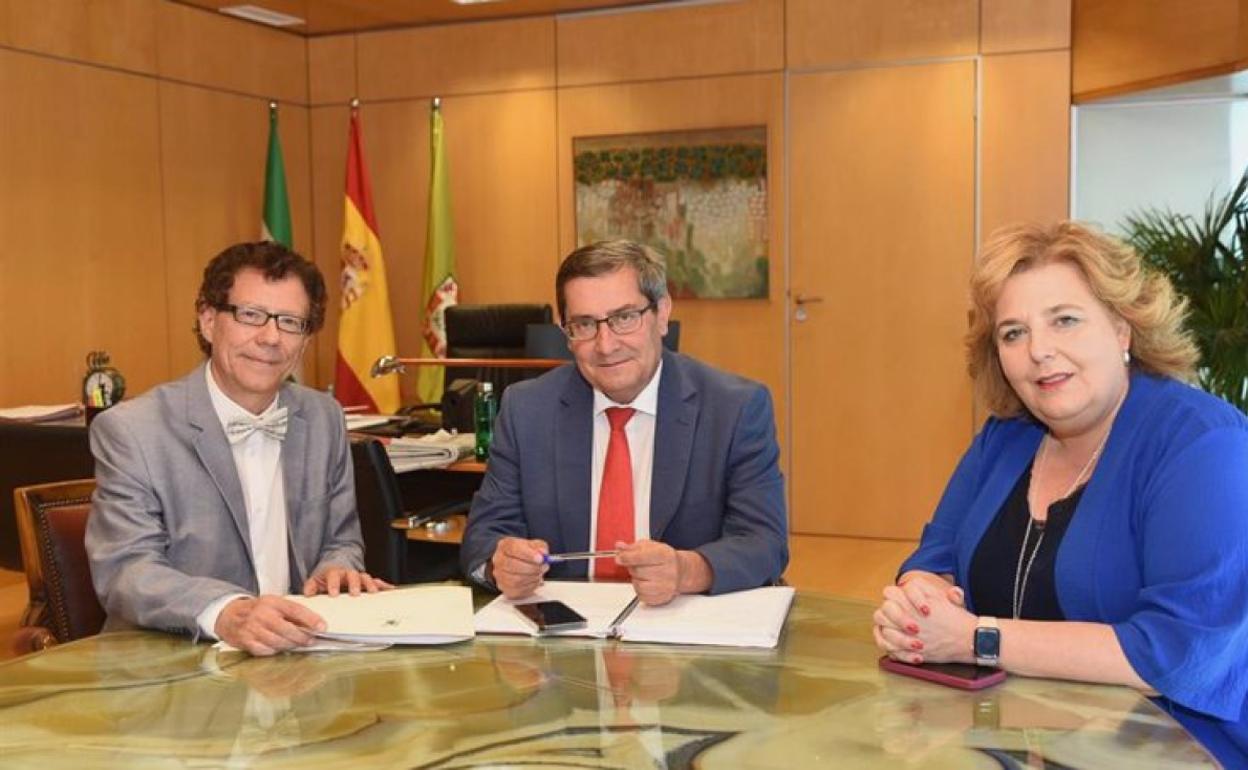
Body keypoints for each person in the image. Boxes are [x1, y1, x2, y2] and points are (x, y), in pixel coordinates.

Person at [872, 221, 1248, 765]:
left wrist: (977, 639)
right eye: (1013, 333)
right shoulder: (1007, 436)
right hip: (1012, 738)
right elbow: (934, 557)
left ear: (1122, 330)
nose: (1039, 351)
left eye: (1065, 321)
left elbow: (1174, 654)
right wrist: (917, 606)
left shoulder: (1204, 446)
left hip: (1173, 750)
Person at [87, 241, 387, 656]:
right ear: (209, 321)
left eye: (290, 322)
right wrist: (227, 612)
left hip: (298, 664)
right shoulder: (133, 430)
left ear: (304, 340)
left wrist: (336, 568)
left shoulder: (324, 418)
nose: (270, 338)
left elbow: (342, 538)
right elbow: (126, 571)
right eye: (250, 316)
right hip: (172, 671)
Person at [459, 240, 787, 606]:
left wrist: (686, 570)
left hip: (688, 632)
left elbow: (764, 543)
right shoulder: (526, 410)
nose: (605, 344)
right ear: (565, 333)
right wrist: (498, 564)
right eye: (584, 324)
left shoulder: (735, 408)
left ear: (662, 314)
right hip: (565, 638)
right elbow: (482, 539)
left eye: (624, 318)